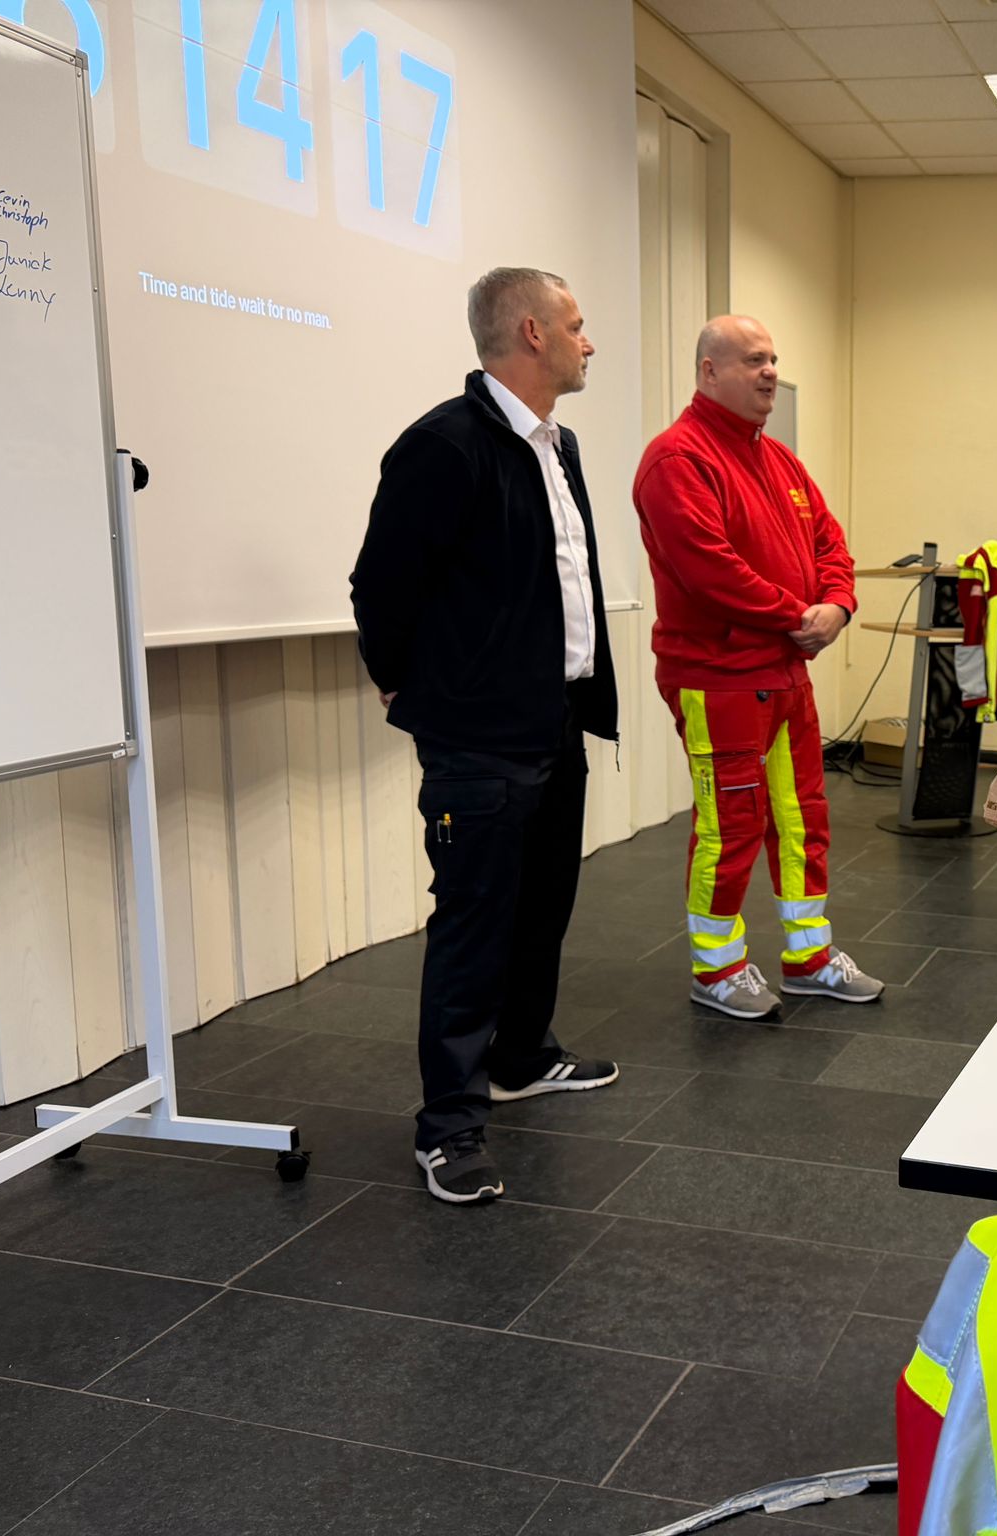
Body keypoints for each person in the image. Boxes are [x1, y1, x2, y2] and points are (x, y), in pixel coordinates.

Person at [350, 267, 621, 1205]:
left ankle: (521, 1056)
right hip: (477, 736)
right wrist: (404, 685)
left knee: (543, 903)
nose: (591, 342)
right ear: (532, 333)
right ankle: (450, 1128)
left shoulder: (559, 445)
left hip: (554, 719)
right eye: (579, 327)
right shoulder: (443, 446)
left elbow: (559, 578)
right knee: (474, 925)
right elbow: (381, 587)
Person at [634, 315, 885, 1018]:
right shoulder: (676, 460)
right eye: (752, 360)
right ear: (708, 371)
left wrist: (835, 604)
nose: (770, 371)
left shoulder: (779, 461)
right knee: (730, 826)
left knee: (802, 816)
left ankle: (808, 957)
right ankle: (716, 970)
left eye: (772, 359)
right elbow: (710, 570)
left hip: (785, 672)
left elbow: (830, 543)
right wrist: (796, 615)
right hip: (717, 679)